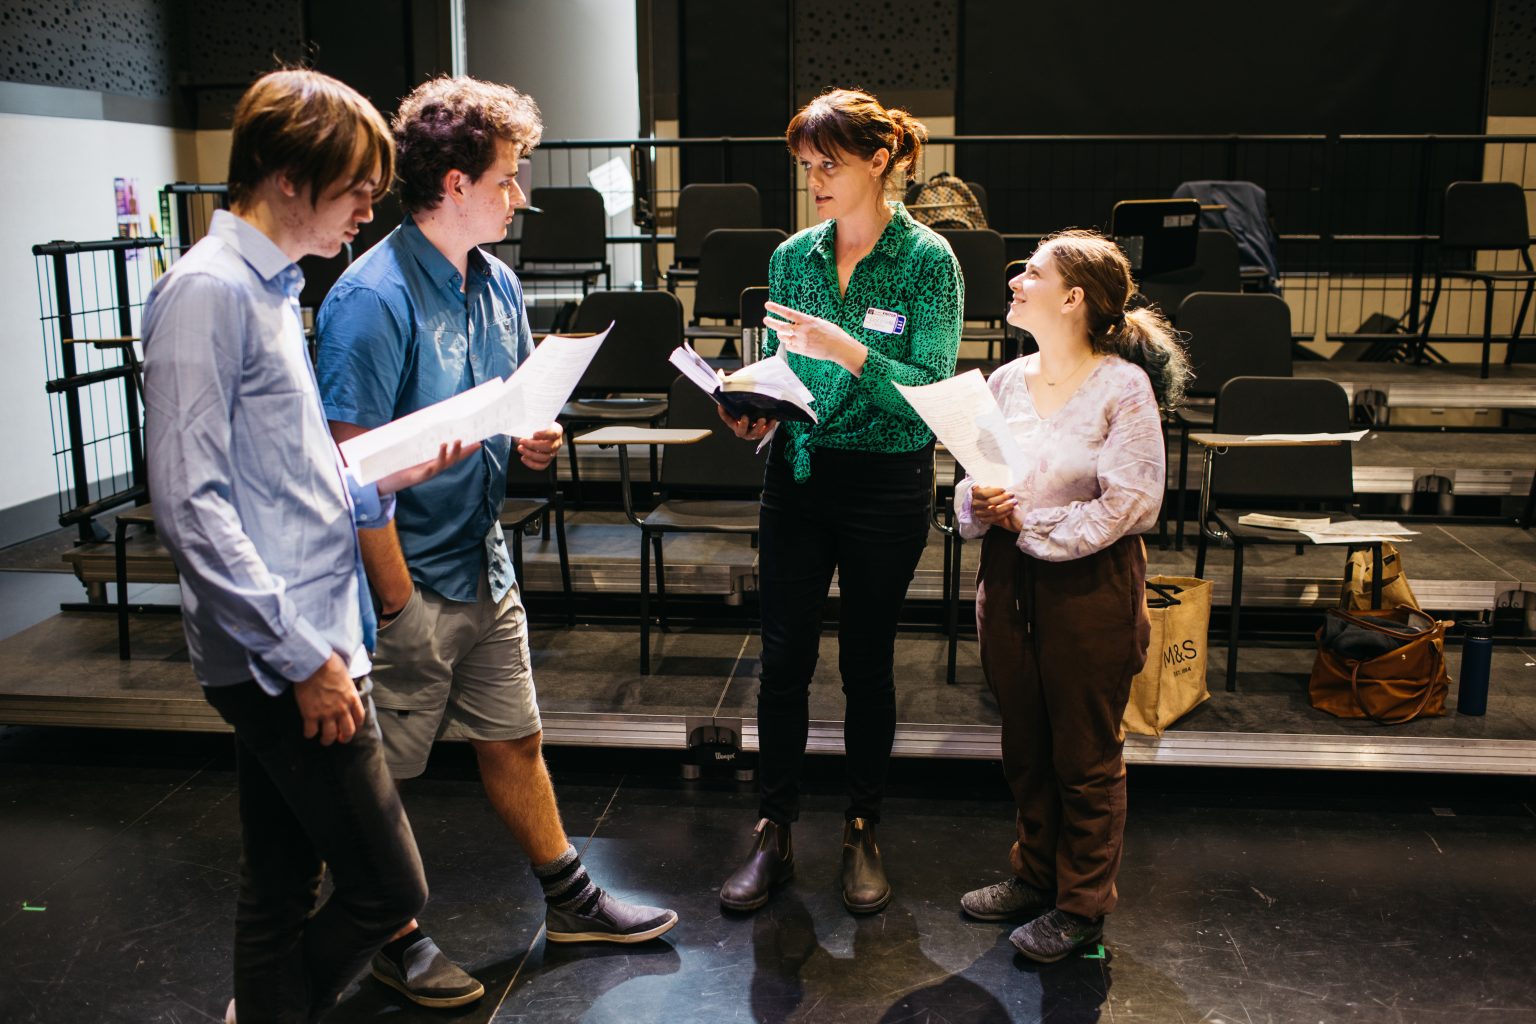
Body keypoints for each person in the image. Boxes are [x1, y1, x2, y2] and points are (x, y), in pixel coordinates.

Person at [316, 76, 677, 1009]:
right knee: (377, 780)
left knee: (515, 738)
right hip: (406, 578)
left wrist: (533, 440)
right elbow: (350, 472)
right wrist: (396, 600)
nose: (519, 196)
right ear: (454, 183)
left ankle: (572, 899)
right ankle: (391, 936)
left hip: (481, 558)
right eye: (507, 178)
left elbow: (509, 410)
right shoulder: (371, 299)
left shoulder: (497, 282)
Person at [144, 68, 479, 1024]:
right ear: (288, 178)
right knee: (389, 889)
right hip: (283, 650)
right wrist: (304, 660)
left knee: (280, 885)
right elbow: (193, 506)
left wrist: (389, 471)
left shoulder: (270, 287)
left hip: (305, 634)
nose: (370, 211)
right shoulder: (207, 292)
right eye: (355, 190)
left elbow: (283, 474)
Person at [715, 88, 962, 915]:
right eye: (807, 167)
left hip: (886, 483)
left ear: (880, 161)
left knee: (866, 664)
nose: (815, 180)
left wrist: (847, 349)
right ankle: (774, 830)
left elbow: (928, 395)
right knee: (782, 661)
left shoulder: (928, 262)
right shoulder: (794, 258)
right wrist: (756, 406)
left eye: (829, 164)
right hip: (799, 472)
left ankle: (862, 826)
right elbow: (786, 371)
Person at [954, 229, 1190, 962]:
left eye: (1031, 272)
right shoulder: (1003, 382)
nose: (1015, 281)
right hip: (1008, 578)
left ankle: (1082, 904)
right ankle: (1035, 875)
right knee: (1024, 743)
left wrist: (1030, 523)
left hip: (1089, 584)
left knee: (1085, 753)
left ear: (1072, 298)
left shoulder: (1122, 387)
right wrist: (978, 503)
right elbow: (974, 478)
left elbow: (1134, 501)